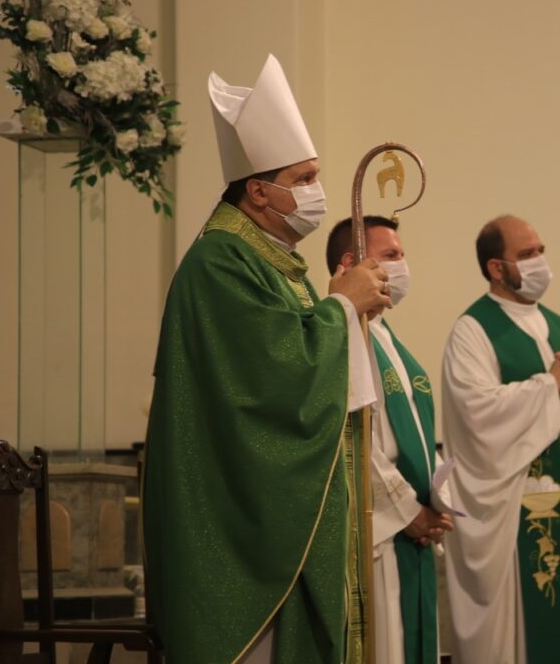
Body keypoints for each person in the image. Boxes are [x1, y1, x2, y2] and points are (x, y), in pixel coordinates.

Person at [143, 54, 391, 664]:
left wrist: (341, 313)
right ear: (258, 191)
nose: (315, 192)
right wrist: (340, 309)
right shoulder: (221, 263)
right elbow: (270, 382)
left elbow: (296, 355)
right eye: (303, 179)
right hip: (234, 526)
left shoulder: (270, 264)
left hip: (264, 511)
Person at [441, 215, 560, 663]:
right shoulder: (473, 329)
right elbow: (474, 412)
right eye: (527, 254)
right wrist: (550, 385)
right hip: (519, 509)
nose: (540, 262)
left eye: (541, 250)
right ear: (496, 268)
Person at [326, 215, 454, 664]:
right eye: (391, 257)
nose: (402, 267)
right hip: (379, 530)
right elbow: (353, 439)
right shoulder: (344, 333)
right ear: (351, 264)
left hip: (412, 523)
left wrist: (438, 499)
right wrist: (407, 510)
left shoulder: (388, 339)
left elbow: (416, 436)